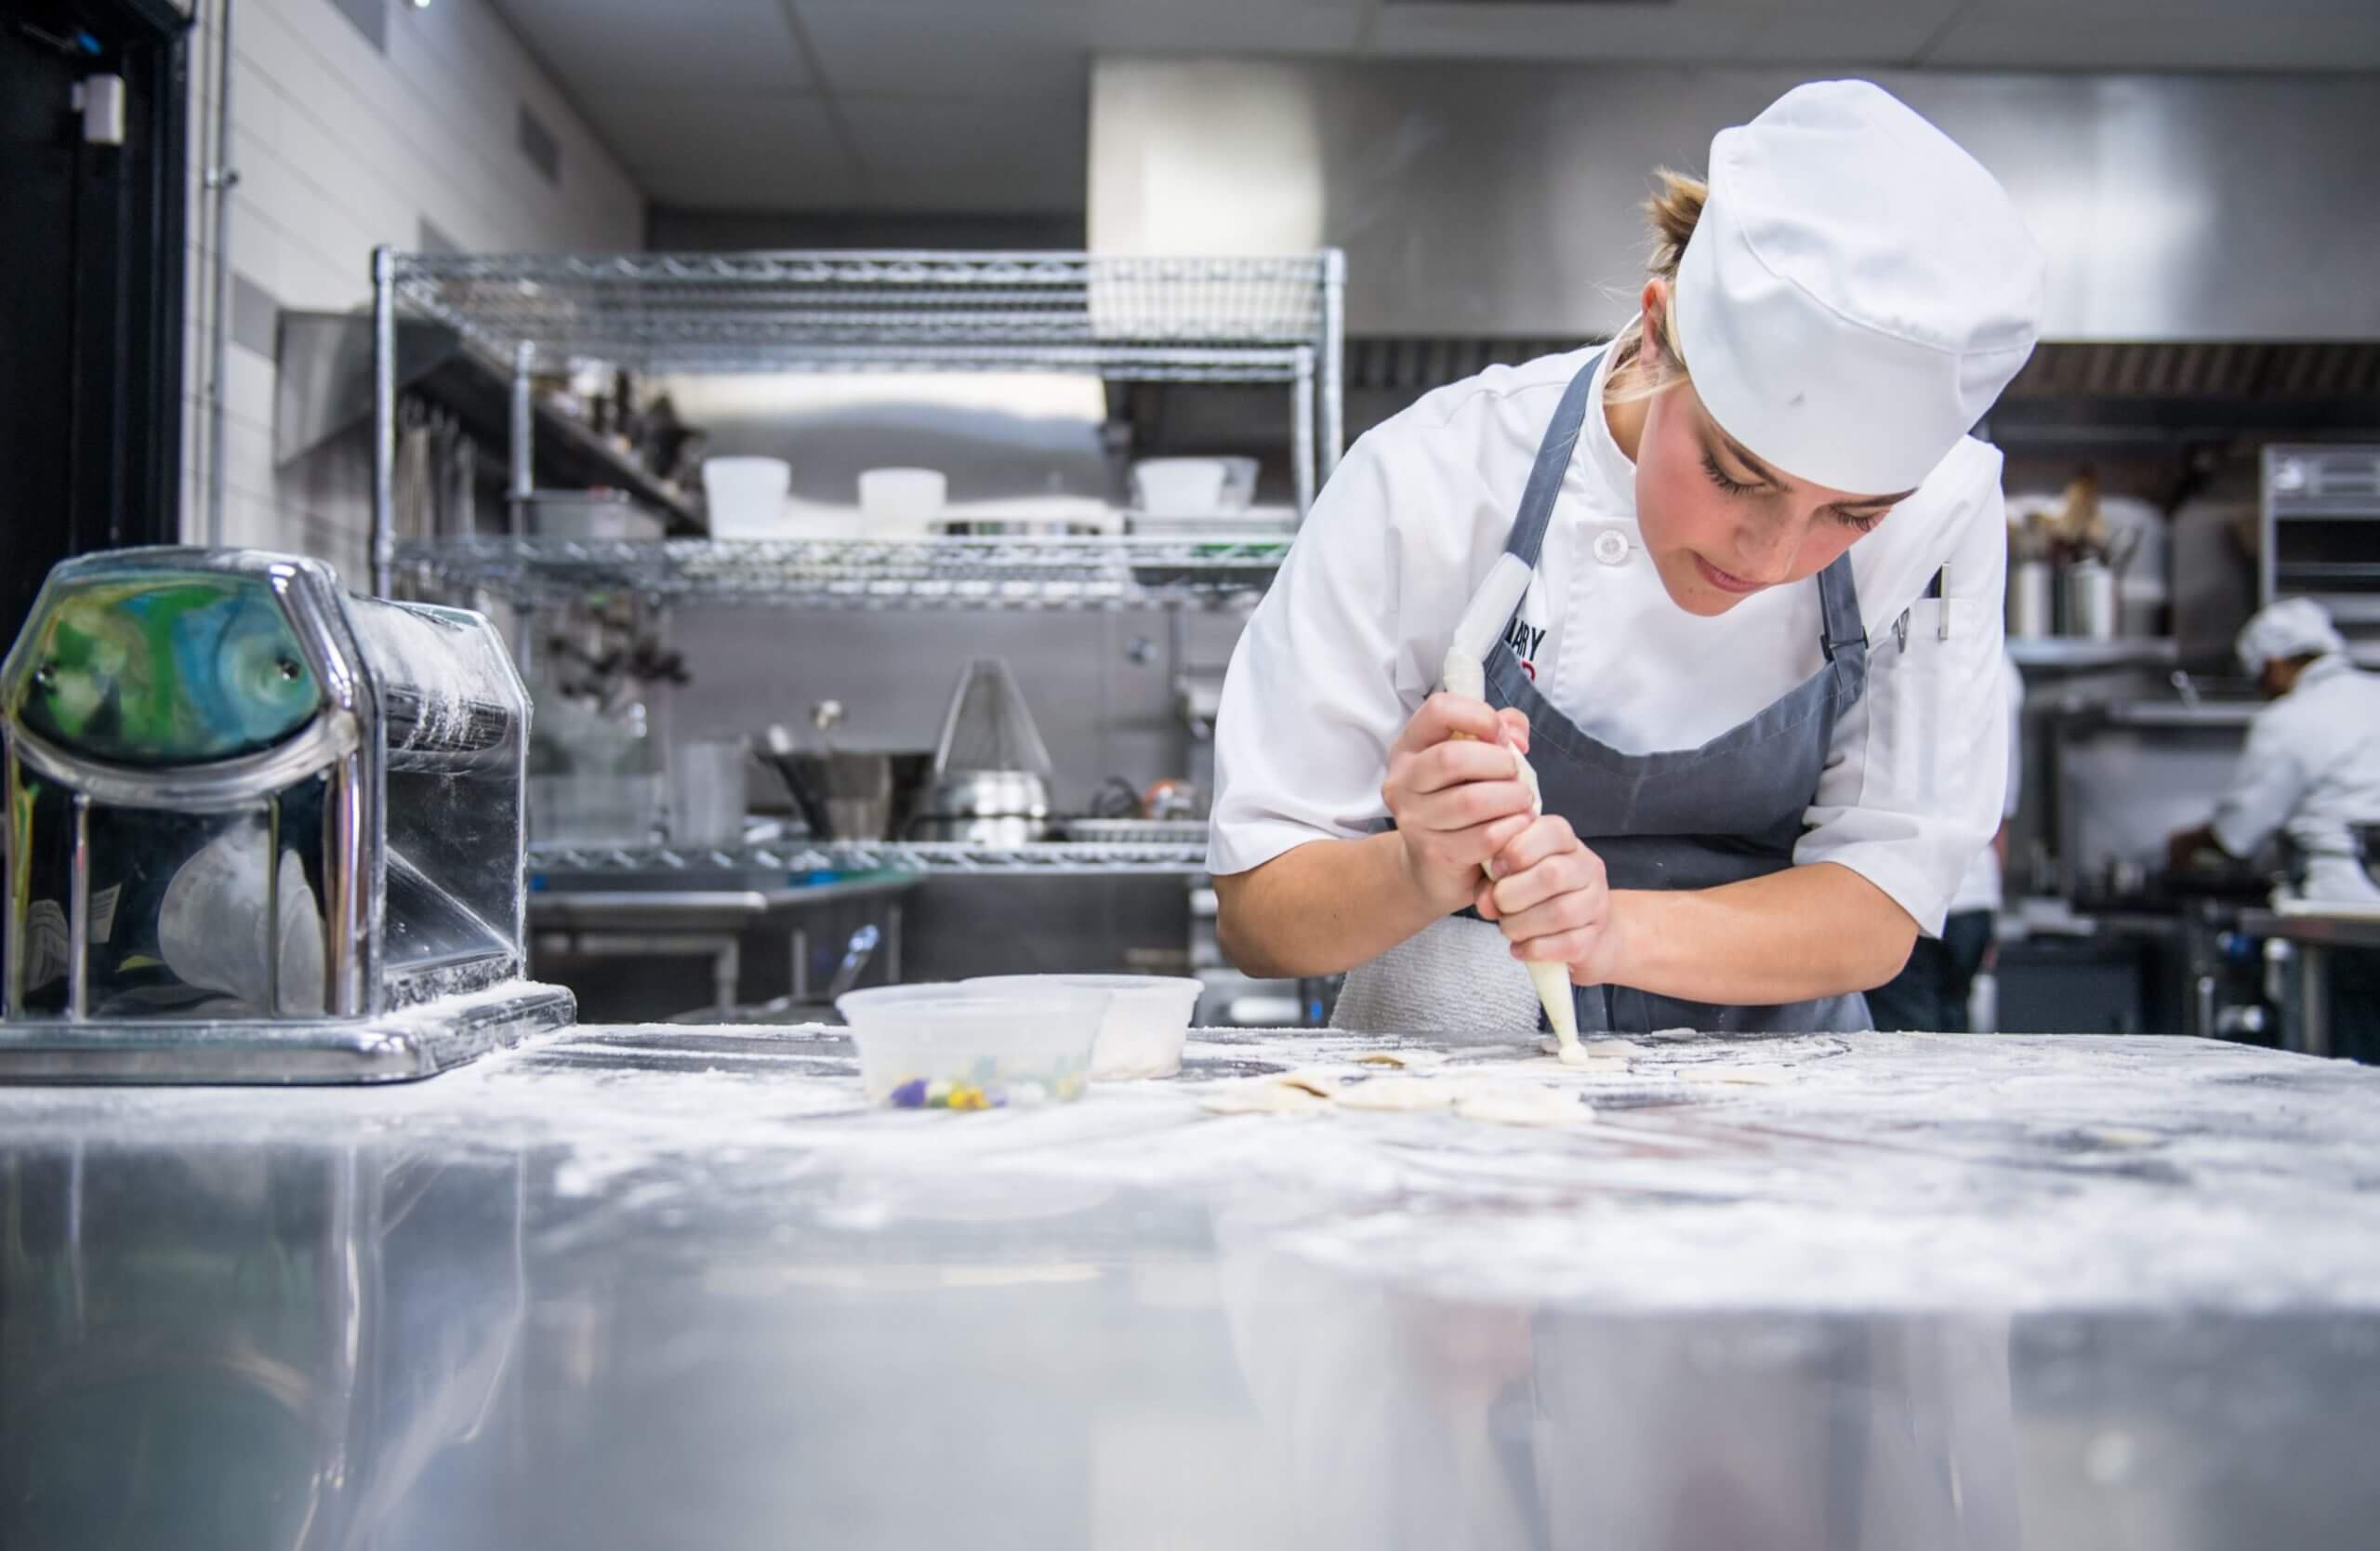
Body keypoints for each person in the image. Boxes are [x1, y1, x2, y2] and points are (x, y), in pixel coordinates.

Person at [1206, 80, 2045, 1036]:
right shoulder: (1432, 477)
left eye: (1851, 516)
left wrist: (1605, 928)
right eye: (1737, 475)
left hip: (1780, 1115)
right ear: (1655, 334)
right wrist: (1413, 867)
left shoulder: (1946, 512)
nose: (1774, 557)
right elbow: (1260, 916)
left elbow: (1878, 906)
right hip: (1449, 1088)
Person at [2167, 598, 2380, 907]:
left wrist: (2189, 843)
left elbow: (2237, 832)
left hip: (2336, 900)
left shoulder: (2289, 719)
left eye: (2260, 681)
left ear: (2274, 665)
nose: (2264, 694)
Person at [1868, 652, 2023, 1032]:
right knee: (1954, 1041)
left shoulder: (1897, 651)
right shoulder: (2002, 668)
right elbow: (2000, 815)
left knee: (1906, 1049)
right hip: (1974, 896)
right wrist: (1993, 907)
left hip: (1903, 888)